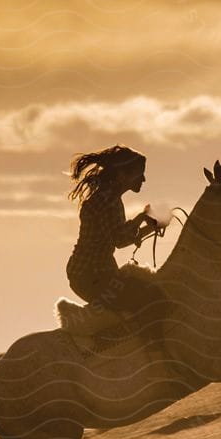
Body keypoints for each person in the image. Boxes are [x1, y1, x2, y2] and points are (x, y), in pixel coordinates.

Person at [64, 144, 169, 353]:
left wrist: (149, 227)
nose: (144, 179)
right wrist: (141, 218)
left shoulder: (108, 198)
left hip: (92, 273)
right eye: (140, 173)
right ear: (122, 174)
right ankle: (138, 350)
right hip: (91, 275)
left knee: (143, 296)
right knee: (146, 299)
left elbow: (118, 237)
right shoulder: (107, 200)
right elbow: (120, 239)